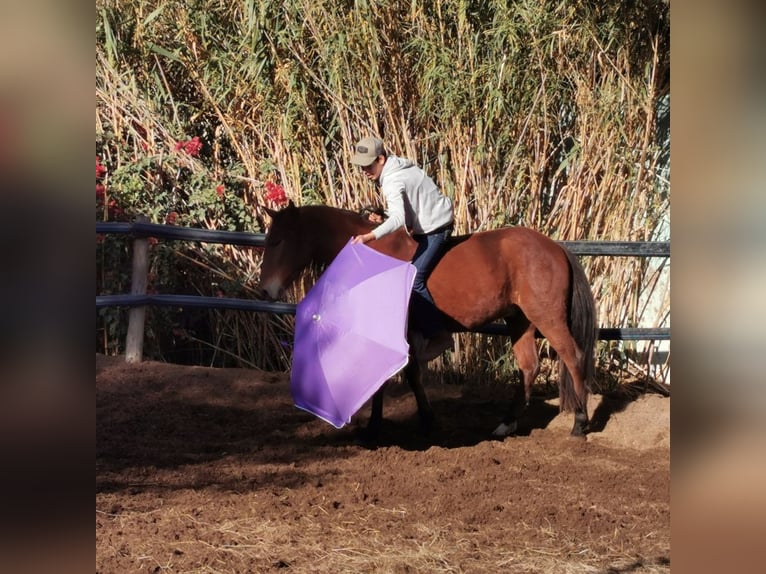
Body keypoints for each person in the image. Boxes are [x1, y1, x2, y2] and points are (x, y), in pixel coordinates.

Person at [350, 136, 454, 344]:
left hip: (435, 230)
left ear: (380, 159)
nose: (364, 171)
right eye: (361, 166)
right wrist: (384, 216)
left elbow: (399, 219)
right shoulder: (401, 166)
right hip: (432, 222)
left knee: (413, 280)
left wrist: (369, 236)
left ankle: (439, 335)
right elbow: (407, 209)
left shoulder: (392, 180)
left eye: (368, 165)